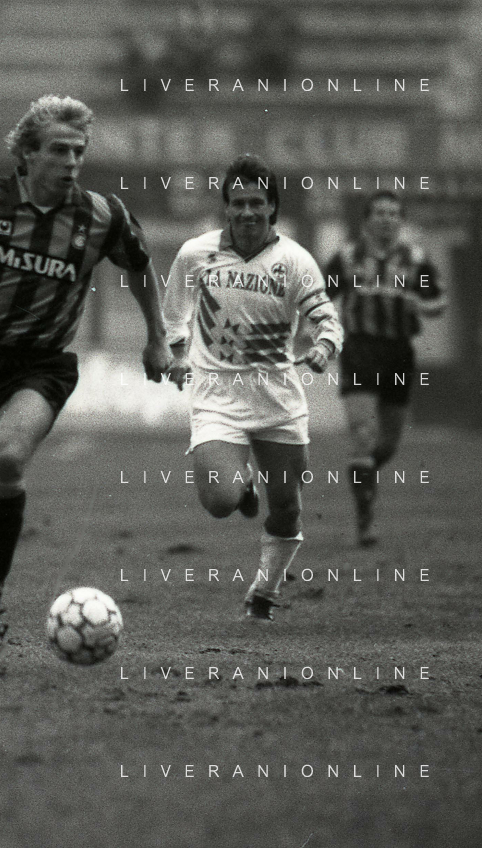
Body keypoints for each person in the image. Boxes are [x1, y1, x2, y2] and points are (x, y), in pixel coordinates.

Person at [0, 95, 171, 668]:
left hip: (43, 365)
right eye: (59, 150)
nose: (72, 162)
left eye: (79, 151)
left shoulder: (102, 215)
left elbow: (141, 267)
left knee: (6, 461)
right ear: (27, 154)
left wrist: (156, 337)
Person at [164, 154, 343, 622]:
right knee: (220, 502)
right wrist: (178, 355)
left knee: (286, 509)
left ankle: (263, 592)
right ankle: (242, 485)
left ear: (272, 207)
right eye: (238, 203)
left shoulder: (295, 260)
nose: (247, 211)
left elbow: (327, 320)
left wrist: (323, 348)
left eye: (256, 203)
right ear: (226, 207)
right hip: (217, 397)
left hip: (277, 399)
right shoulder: (195, 254)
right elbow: (174, 314)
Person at [323, 190, 445, 547]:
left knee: (388, 444)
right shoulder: (347, 258)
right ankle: (365, 519)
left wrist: (419, 304)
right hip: (359, 350)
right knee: (362, 434)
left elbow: (439, 300)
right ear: (366, 220)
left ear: (401, 221)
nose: (386, 219)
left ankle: (364, 474)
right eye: (379, 212)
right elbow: (321, 296)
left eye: (393, 213)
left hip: (398, 353)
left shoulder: (416, 260)